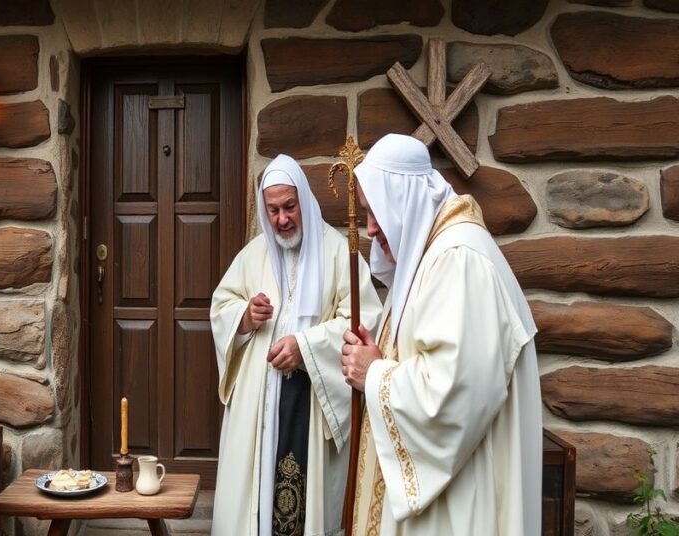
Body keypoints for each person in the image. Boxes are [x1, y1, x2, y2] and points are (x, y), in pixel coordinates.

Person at [340, 133, 542, 535]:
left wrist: (375, 374)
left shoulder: (459, 260)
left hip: (460, 494)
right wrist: (377, 356)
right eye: (365, 212)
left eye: (375, 210)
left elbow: (453, 393)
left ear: (404, 199)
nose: (370, 228)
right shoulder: (430, 255)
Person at [210, 154, 382, 535]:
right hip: (259, 407)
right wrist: (244, 315)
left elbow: (363, 322)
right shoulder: (254, 253)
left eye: (289, 207)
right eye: (272, 210)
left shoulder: (337, 251)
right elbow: (221, 306)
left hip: (310, 403)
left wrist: (305, 348)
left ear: (303, 200)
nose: (282, 219)